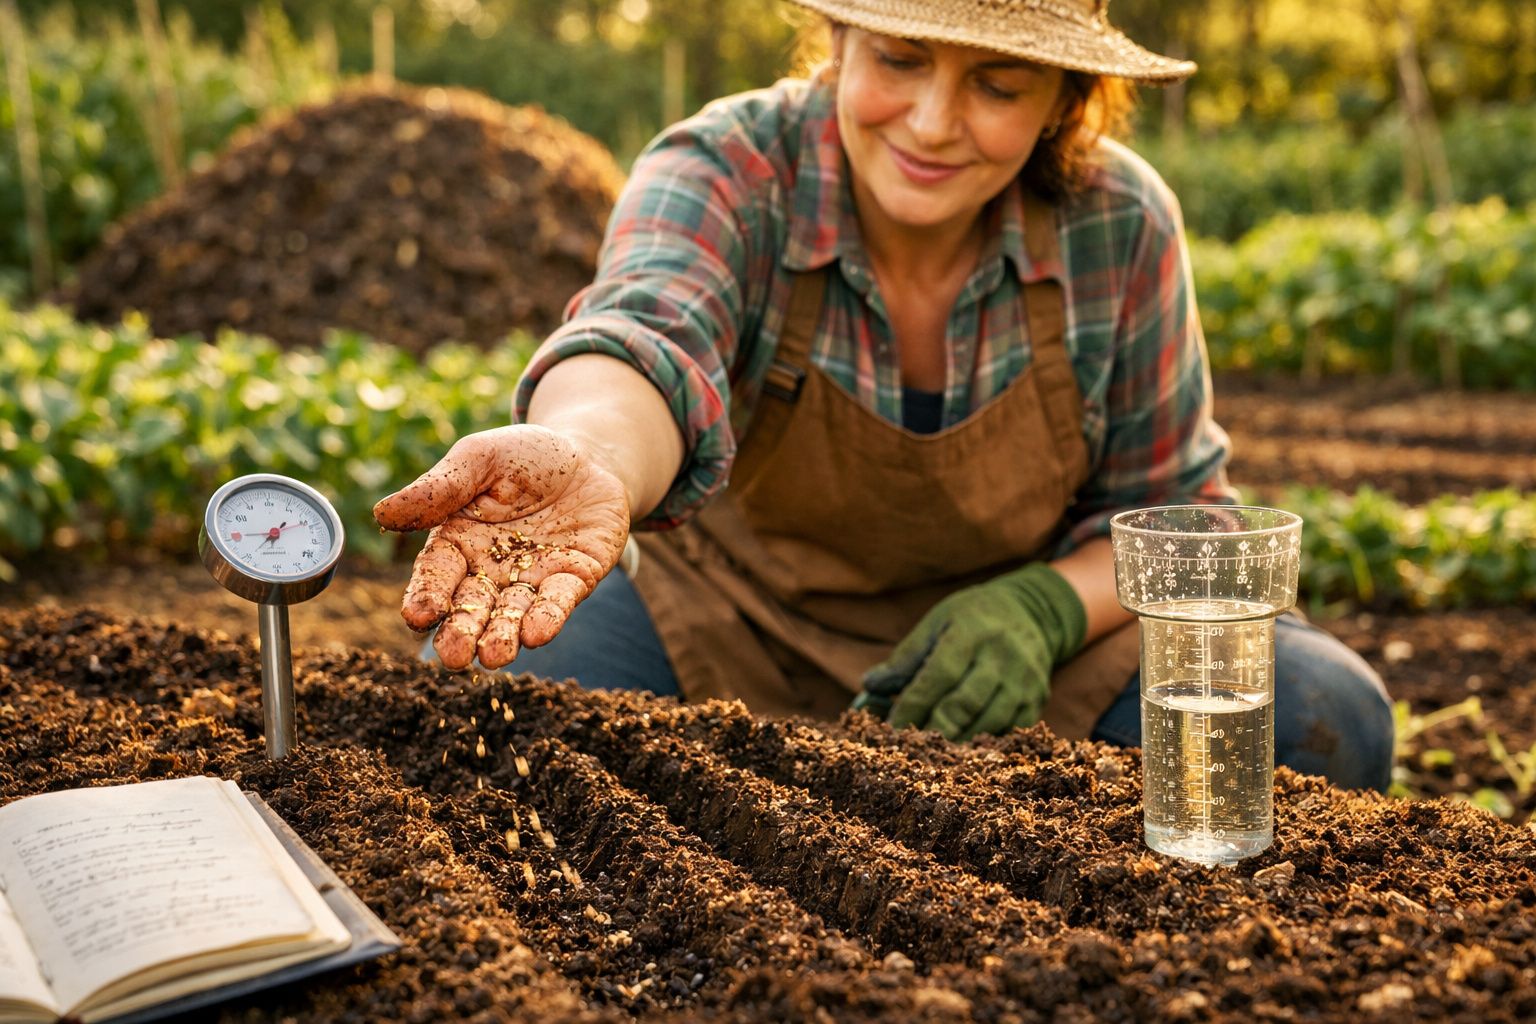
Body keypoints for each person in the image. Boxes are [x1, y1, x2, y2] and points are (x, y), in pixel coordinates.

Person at [374, 0, 1395, 791]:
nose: (935, 123)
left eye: (998, 85)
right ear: (839, 43)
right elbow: (645, 340)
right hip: (737, 617)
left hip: (1030, 653)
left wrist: (1044, 609)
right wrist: (590, 452)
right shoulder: (729, 166)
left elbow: (1181, 522)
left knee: (1318, 718)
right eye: (900, 61)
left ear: (1063, 101)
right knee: (486, 700)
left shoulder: (1119, 223)